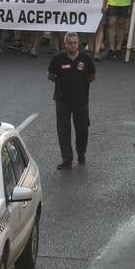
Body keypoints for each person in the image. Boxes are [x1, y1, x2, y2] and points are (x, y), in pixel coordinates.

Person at [47, 32, 96, 170]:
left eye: (75, 43)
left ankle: (81, 152)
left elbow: (92, 76)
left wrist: (79, 84)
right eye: (70, 43)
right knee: (63, 129)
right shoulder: (58, 58)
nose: (73, 45)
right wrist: (62, 83)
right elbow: (50, 75)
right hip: (62, 99)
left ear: (78, 43)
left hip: (81, 100)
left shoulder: (85, 58)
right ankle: (67, 158)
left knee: (82, 129)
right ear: (65, 44)